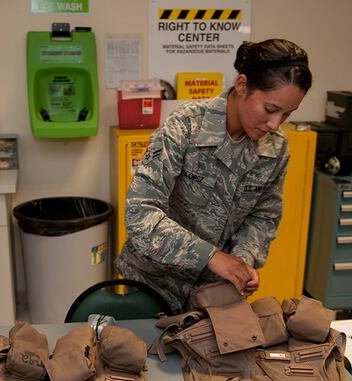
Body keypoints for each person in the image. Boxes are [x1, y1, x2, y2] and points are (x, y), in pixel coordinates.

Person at [115, 38, 313, 313]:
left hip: (211, 298)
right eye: (270, 109)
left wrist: (242, 262)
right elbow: (140, 213)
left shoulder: (276, 149)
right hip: (150, 288)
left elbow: (264, 216)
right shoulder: (185, 126)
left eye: (287, 114)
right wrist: (210, 257)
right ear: (242, 86)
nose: (275, 124)